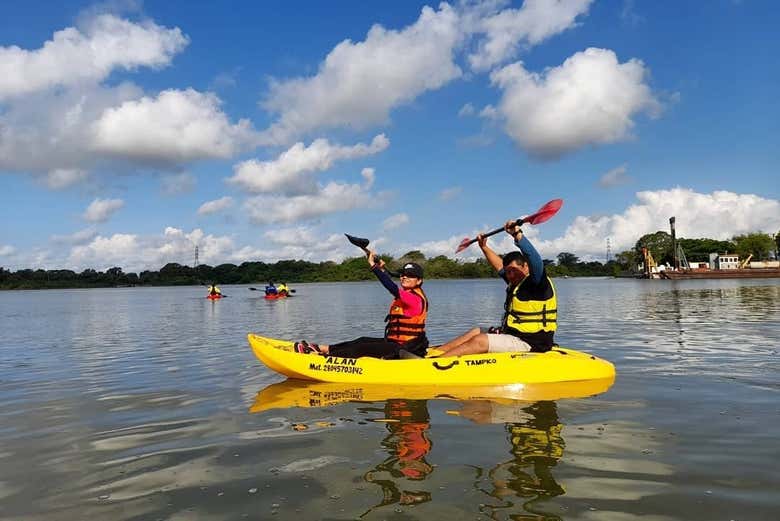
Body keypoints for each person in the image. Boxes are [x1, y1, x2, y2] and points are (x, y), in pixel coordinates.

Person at [435, 219, 556, 357]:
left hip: (532, 342)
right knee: (477, 331)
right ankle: (433, 354)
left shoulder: (538, 283)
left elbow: (535, 260)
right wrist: (484, 247)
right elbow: (499, 266)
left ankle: (431, 366)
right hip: (513, 335)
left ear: (526, 266)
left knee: (480, 340)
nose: (510, 275)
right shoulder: (515, 281)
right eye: (508, 271)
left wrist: (517, 233)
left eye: (514, 270)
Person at [295, 252, 429, 358]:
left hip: (406, 348)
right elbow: (392, 282)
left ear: (419, 281)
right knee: (361, 340)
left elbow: (391, 287)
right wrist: (381, 268)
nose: (404, 277)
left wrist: (373, 266)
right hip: (396, 343)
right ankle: (321, 348)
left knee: (362, 348)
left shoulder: (414, 298)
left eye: (410, 276)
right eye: (403, 275)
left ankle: (321, 357)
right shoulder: (407, 294)